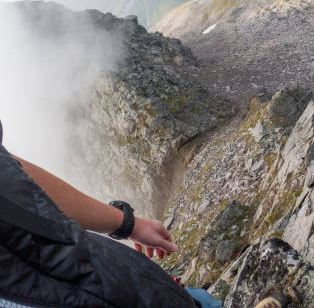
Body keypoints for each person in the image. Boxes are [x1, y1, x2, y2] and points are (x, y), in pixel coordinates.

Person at [0, 119, 221, 307]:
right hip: (112, 285)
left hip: (132, 285)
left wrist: (127, 224)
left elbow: (15, 176)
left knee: (202, 300)